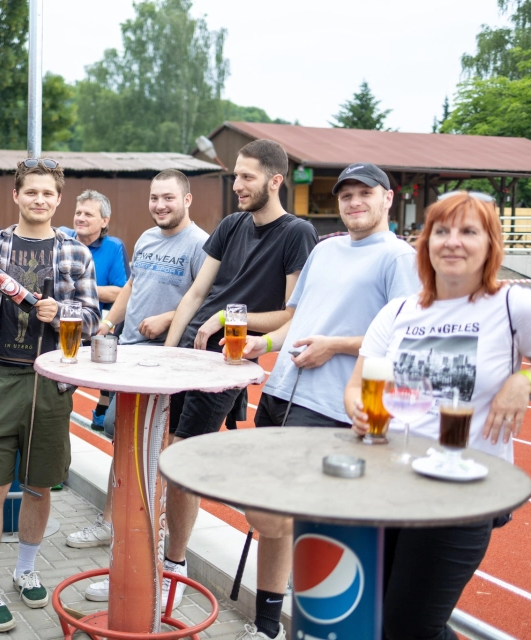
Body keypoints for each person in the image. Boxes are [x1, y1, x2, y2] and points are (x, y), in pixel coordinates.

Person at [344, 191, 531, 640]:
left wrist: (521, 382)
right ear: (425, 242)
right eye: (441, 231)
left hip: (464, 492)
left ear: (491, 244)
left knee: (410, 628)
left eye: (469, 231)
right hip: (388, 484)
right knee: (376, 620)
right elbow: (357, 384)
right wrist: (356, 406)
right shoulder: (399, 311)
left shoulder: (515, 306)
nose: (452, 242)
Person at [235, 163, 419, 639]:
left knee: (283, 514)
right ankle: (268, 625)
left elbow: (405, 338)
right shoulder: (325, 248)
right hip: (280, 390)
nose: (354, 201)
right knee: (267, 512)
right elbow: (300, 316)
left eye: (365, 193)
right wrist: (266, 344)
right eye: (346, 195)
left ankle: (322, 612)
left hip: (331, 404)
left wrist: (334, 346)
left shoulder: (399, 258)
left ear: (387, 199)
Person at [161, 139, 318, 614]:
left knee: (184, 461)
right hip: (191, 350)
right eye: (235, 175)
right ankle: (161, 557)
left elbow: (293, 316)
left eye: (247, 177)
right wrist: (166, 357)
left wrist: (234, 319)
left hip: (227, 361)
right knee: (165, 450)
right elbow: (194, 294)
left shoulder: (298, 233)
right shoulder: (231, 225)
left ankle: (174, 567)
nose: (238, 185)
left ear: (275, 180)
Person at [0, 158, 99, 632]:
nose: (40, 199)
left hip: (50, 382)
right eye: (31, 192)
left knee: (40, 486)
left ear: (59, 200)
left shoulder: (75, 253)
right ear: (16, 196)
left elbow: (94, 318)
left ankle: (25, 569)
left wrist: (63, 312)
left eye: (48, 194)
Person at [65, 169, 209, 602]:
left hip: (165, 367)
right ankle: (119, 538)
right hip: (126, 355)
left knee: (157, 463)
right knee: (121, 444)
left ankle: (158, 564)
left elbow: (203, 298)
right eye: (154, 197)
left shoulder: (200, 245)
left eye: (168, 197)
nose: (160, 205)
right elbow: (132, 285)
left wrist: (168, 321)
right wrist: (107, 324)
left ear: (187, 199)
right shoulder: (146, 237)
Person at [60, 190, 129, 311]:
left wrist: (75, 287)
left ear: (104, 221)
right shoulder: (61, 236)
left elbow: (120, 292)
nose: (80, 218)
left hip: (94, 322)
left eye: (88, 214)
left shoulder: (114, 247)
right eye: (78, 213)